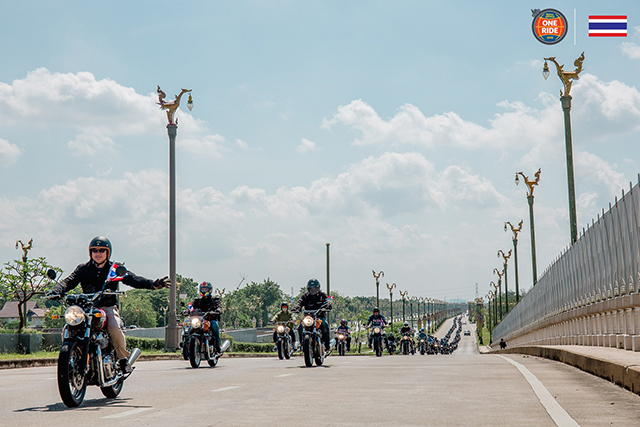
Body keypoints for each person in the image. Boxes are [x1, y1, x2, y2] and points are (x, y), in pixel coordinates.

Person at [47, 236, 170, 373]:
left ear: (108, 252)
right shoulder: (83, 269)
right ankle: (71, 355)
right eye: (95, 250)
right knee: (69, 326)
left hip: (107, 307)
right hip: (86, 308)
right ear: (90, 253)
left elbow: (133, 279)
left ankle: (123, 360)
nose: (98, 253)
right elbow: (68, 281)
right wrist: (55, 290)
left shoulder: (114, 269)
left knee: (113, 327)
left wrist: (152, 284)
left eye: (102, 250)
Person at [292, 278, 332, 352]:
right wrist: (296, 307)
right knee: (300, 327)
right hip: (308, 317)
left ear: (318, 288)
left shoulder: (322, 296)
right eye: (311, 289)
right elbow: (300, 302)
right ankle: (302, 345)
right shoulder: (305, 296)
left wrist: (327, 305)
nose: (313, 290)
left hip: (320, 317)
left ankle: (327, 346)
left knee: (324, 325)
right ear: (308, 289)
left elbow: (327, 301)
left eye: (314, 289)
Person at [189, 281, 223, 353]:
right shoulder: (197, 300)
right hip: (199, 320)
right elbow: (192, 307)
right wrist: (186, 311)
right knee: (189, 328)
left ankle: (218, 346)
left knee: (214, 326)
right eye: (203, 289)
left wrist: (218, 310)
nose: (204, 291)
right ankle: (187, 346)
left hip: (210, 319)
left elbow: (219, 306)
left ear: (210, 290)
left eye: (206, 289)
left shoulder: (215, 300)